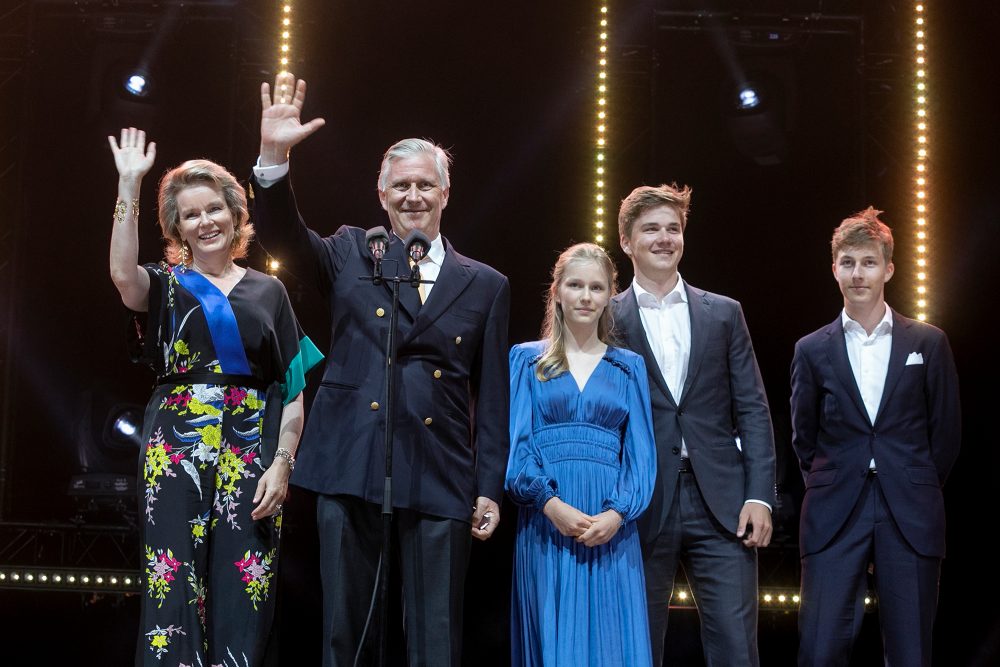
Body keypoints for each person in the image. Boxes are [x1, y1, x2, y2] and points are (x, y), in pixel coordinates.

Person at [249, 73, 511, 666]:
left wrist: (489, 484)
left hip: (442, 470)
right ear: (381, 193)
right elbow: (281, 234)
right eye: (401, 186)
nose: (412, 195)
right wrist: (272, 159)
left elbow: (492, 396)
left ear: (446, 192)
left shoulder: (485, 284)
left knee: (436, 639)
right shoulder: (349, 252)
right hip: (350, 461)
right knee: (346, 633)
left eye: (425, 184)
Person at [108, 127, 323, 666]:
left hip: (249, 455)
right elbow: (120, 274)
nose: (204, 222)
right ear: (176, 228)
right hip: (176, 451)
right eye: (189, 215)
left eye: (213, 209)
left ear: (234, 214)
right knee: (173, 584)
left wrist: (283, 465)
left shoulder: (269, 291)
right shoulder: (166, 284)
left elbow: (294, 391)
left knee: (243, 588)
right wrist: (129, 187)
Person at [610, 183, 776, 666]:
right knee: (635, 647)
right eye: (651, 230)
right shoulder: (607, 317)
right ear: (626, 241)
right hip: (639, 501)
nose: (664, 238)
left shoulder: (724, 313)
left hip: (722, 505)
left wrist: (759, 494)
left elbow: (753, 409)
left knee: (736, 649)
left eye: (673, 228)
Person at [790, 207, 961, 666]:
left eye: (868, 262)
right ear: (834, 269)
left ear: (888, 267)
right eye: (847, 262)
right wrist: (833, 479)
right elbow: (803, 436)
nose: (857, 273)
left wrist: (910, 480)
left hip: (909, 508)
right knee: (820, 648)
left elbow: (945, 434)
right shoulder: (810, 349)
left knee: (910, 653)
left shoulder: (928, 343)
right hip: (833, 509)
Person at [507, 243, 657, 666]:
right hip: (547, 525)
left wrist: (617, 514)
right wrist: (550, 506)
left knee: (612, 645)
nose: (586, 296)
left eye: (596, 286)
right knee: (553, 642)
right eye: (576, 285)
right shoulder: (525, 360)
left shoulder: (629, 366)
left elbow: (641, 457)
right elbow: (518, 449)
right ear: (557, 291)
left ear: (611, 293)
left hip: (612, 529)